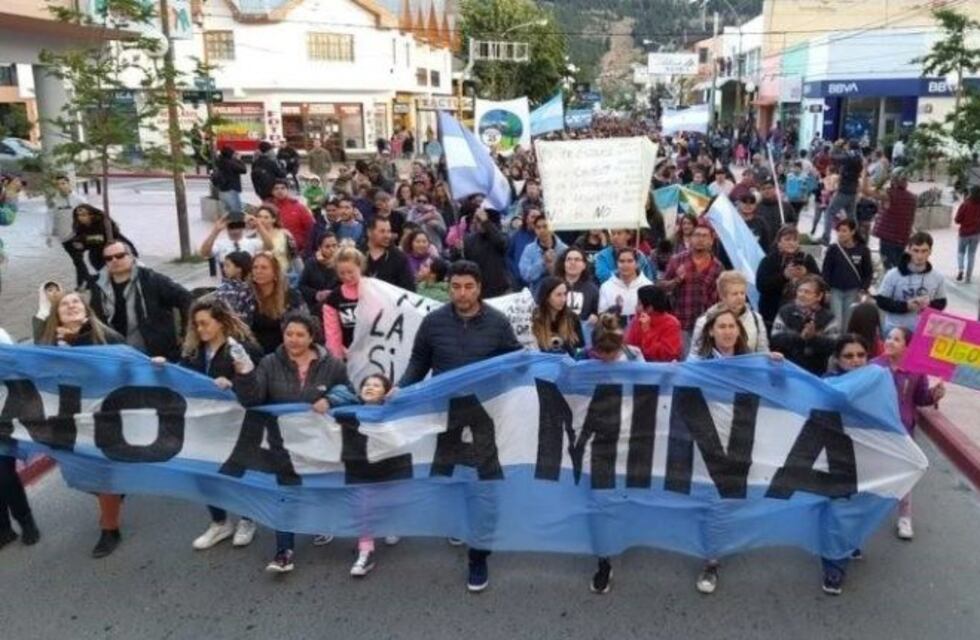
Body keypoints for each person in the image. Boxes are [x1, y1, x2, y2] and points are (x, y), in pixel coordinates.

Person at [397, 260, 522, 593]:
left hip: (486, 415)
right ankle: (459, 523)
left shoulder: (497, 323)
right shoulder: (433, 322)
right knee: (451, 476)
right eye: (456, 286)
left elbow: (514, 360)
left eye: (468, 286)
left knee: (484, 482)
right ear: (448, 287)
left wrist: (529, 367)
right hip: (445, 413)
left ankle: (478, 555)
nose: (462, 293)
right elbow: (418, 363)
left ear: (479, 288)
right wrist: (401, 391)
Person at [234, 312, 350, 574]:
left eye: (300, 335)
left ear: (311, 337)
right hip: (281, 441)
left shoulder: (331, 364)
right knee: (283, 494)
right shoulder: (268, 363)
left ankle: (320, 522)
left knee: (317, 487)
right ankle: (284, 551)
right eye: (289, 334)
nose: (293, 340)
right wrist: (244, 373)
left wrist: (331, 400)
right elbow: (252, 399)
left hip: (319, 443)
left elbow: (350, 390)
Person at [687, 306, 782, 594]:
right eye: (722, 326)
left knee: (729, 495)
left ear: (739, 331)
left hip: (742, 436)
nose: (727, 331)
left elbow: (775, 389)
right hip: (706, 438)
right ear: (711, 332)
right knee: (713, 496)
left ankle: (717, 539)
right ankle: (711, 559)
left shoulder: (753, 362)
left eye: (732, 326)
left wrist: (777, 366)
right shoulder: (696, 362)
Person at [37, 291, 125, 557]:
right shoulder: (47, 346)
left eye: (76, 301)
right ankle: (115, 493)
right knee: (83, 475)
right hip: (69, 420)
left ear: (86, 308)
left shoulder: (105, 336)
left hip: (106, 416)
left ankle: (109, 529)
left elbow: (128, 365)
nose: (71, 305)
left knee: (102, 473)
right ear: (57, 315)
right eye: (64, 304)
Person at [180, 298, 264, 552]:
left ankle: (248, 518)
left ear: (220, 321)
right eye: (196, 325)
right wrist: (162, 367)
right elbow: (181, 375)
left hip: (235, 425)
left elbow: (257, 387)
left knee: (238, 472)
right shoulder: (193, 351)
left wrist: (233, 383)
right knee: (204, 473)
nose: (200, 330)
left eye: (205, 324)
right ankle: (220, 522)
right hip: (203, 424)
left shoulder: (243, 348)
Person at [583, 313, 642, 595]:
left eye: (611, 353)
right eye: (600, 353)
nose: (605, 359)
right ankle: (604, 560)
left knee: (621, 494)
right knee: (600, 498)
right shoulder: (583, 360)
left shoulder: (635, 358)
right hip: (596, 440)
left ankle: (620, 533)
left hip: (630, 437)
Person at [872, 326, 945, 541]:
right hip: (877, 431)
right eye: (888, 337)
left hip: (904, 432)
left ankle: (904, 516)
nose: (890, 342)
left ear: (908, 346)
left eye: (897, 339)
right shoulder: (874, 367)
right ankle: (867, 513)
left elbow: (921, 398)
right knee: (874, 472)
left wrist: (934, 395)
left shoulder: (916, 371)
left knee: (904, 474)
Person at [820, 333, 872, 595]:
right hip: (836, 457)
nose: (855, 361)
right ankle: (834, 566)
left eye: (861, 355)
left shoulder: (877, 383)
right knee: (838, 510)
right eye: (848, 356)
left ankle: (849, 542)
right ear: (837, 359)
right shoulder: (827, 384)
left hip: (869, 457)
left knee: (859, 506)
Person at [89, 241, 191, 361]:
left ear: (131, 256)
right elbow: (92, 317)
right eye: (109, 258)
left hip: (154, 355)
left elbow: (186, 298)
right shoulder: (98, 287)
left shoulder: (152, 279)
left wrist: (187, 334)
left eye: (120, 255)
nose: (114, 260)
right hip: (116, 354)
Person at [1, 318, 41, 551]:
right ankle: (3, 529)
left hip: (2, 414)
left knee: (3, 474)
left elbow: (13, 368)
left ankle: (26, 522)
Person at [659, 222, 723, 347]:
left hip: (706, 324)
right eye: (697, 235)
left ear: (711, 240)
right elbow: (661, 286)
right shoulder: (677, 260)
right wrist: (676, 280)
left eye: (705, 236)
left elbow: (719, 299)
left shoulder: (718, 267)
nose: (700, 239)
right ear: (691, 238)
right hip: (680, 322)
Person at [874, 231, 947, 332]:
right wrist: (905, 306)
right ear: (909, 250)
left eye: (924, 251)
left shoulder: (938, 277)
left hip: (922, 330)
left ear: (930, 251)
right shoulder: (893, 274)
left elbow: (941, 303)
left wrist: (928, 305)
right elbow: (881, 301)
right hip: (895, 329)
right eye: (916, 250)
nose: (920, 256)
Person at [771, 275, 839, 376]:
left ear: (819, 296)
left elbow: (834, 345)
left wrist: (813, 338)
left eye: (807, 292)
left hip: (817, 372)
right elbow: (775, 338)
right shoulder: (785, 311)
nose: (801, 295)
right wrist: (800, 337)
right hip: (787, 369)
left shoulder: (829, 317)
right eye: (800, 291)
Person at [756, 225, 819, 330]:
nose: (791, 243)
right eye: (787, 239)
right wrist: (784, 276)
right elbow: (761, 286)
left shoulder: (806, 259)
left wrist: (806, 275)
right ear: (779, 242)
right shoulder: (769, 260)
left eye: (795, 240)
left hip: (801, 315)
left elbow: (821, 284)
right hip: (773, 314)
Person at [691, 271, 769, 355]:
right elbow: (695, 356)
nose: (740, 297)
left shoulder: (756, 319)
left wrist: (772, 358)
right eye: (735, 294)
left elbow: (763, 353)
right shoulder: (704, 322)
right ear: (722, 296)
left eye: (742, 293)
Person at [65, 204, 138, 289]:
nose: (80, 217)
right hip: (96, 254)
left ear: (91, 215)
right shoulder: (80, 227)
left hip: (112, 250)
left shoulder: (103, 222)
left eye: (84, 215)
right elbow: (81, 242)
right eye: (78, 215)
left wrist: (85, 239)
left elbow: (103, 238)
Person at [248, 252, 304, 354]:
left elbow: (301, 325)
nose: (258, 271)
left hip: (285, 352)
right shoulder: (246, 296)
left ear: (275, 273)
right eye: (255, 268)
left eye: (264, 268)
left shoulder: (290, 296)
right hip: (253, 353)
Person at [821, 218, 873, 329]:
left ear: (852, 232)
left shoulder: (863, 250)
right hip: (835, 290)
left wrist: (864, 289)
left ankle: (844, 344)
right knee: (837, 322)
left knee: (848, 323)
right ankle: (836, 343)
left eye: (844, 231)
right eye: (839, 231)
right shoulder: (833, 249)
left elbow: (868, 272)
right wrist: (826, 289)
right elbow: (826, 270)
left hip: (853, 291)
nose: (841, 234)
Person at [870, 168, 917, 270]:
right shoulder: (912, 198)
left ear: (893, 180)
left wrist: (882, 180)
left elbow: (868, 191)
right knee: (897, 266)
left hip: (888, 239)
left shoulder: (889, 195)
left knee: (889, 269)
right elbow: (911, 219)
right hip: (902, 238)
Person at [322, 247, 364, 361]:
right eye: (342, 273)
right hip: (348, 353)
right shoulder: (333, 298)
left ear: (359, 267)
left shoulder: (373, 291)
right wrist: (337, 357)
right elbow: (332, 332)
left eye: (350, 272)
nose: (346, 277)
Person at [624, 285, 682, 362]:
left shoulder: (671, 324)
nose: (636, 307)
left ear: (650, 308)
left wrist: (647, 332)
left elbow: (667, 355)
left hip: (662, 370)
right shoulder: (637, 319)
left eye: (639, 304)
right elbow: (629, 347)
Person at [463, 207, 511, 298]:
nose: (479, 224)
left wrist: (486, 222)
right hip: (479, 290)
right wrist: (456, 251)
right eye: (477, 221)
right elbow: (465, 262)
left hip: (500, 289)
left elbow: (501, 243)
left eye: (481, 221)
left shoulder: (500, 236)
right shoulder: (469, 240)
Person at [821, 141, 863, 244]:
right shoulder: (859, 156)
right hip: (853, 191)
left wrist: (835, 146)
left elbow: (833, 157)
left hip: (844, 190)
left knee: (830, 212)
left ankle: (826, 237)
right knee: (851, 216)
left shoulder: (850, 155)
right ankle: (856, 239)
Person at [531, 276, 584, 356]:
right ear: (547, 297)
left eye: (565, 294)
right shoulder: (534, 319)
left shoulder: (572, 318)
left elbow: (580, 347)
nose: (563, 299)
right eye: (558, 295)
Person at [598, 248, 655, 323]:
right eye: (622, 261)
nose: (625, 265)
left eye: (630, 261)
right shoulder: (606, 287)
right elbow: (602, 315)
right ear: (616, 263)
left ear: (637, 263)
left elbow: (653, 315)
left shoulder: (648, 286)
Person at [46, 175, 85, 281]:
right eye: (58, 184)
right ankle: (86, 282)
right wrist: (49, 235)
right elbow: (50, 218)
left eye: (63, 183)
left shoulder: (79, 200)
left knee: (78, 260)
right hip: (64, 237)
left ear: (69, 184)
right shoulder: (54, 201)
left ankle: (83, 283)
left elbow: (88, 216)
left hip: (77, 235)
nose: (60, 186)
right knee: (77, 260)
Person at [364, 217, 415, 291]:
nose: (387, 236)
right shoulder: (357, 254)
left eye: (389, 231)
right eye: (382, 231)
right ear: (369, 232)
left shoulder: (399, 258)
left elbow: (409, 289)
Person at [520, 216, 568, 295]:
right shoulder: (529, 249)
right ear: (535, 230)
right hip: (536, 296)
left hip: (559, 296)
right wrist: (542, 262)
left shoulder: (564, 250)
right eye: (538, 228)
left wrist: (553, 268)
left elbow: (567, 277)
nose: (542, 230)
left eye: (545, 226)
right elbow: (526, 276)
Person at [268, 179, 315, 256]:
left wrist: (306, 249)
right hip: (275, 253)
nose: (280, 191)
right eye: (276, 188)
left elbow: (312, 228)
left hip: (298, 253)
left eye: (283, 188)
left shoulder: (299, 207)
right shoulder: (268, 208)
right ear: (272, 192)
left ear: (288, 190)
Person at [199, 214, 268, 265]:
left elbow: (270, 246)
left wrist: (259, 225)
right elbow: (204, 253)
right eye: (231, 224)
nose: (235, 227)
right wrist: (215, 231)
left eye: (238, 223)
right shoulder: (219, 244)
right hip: (227, 282)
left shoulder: (252, 242)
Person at [555, 247, 599, 324]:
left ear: (584, 265)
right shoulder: (552, 286)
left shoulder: (592, 289)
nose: (572, 262)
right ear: (563, 264)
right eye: (569, 259)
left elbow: (598, 312)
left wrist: (595, 316)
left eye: (577, 259)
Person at [247, 204, 293, 277]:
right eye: (259, 217)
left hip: (282, 275)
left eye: (266, 217)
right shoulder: (252, 237)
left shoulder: (285, 234)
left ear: (273, 219)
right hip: (261, 275)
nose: (262, 220)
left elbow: (295, 257)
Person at [298, 232, 339, 314]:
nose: (332, 249)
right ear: (320, 248)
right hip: (316, 308)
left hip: (338, 305)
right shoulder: (311, 263)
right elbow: (302, 286)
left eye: (334, 245)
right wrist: (316, 294)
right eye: (327, 246)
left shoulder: (342, 262)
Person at [214, 251, 256, 324]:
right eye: (223, 266)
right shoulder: (223, 288)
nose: (224, 269)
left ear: (239, 268)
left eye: (228, 266)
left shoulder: (248, 288)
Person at [212, 147, 247, 219]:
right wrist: (238, 160)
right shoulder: (230, 163)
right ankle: (236, 227)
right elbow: (243, 170)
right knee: (236, 212)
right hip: (231, 190)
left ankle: (231, 226)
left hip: (222, 189)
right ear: (230, 154)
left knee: (229, 212)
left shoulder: (220, 161)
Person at [954, 186, 980, 283]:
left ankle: (961, 270)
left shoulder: (965, 204)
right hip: (976, 234)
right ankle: (968, 277)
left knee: (961, 252)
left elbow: (957, 220)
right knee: (971, 255)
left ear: (970, 193)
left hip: (964, 233)